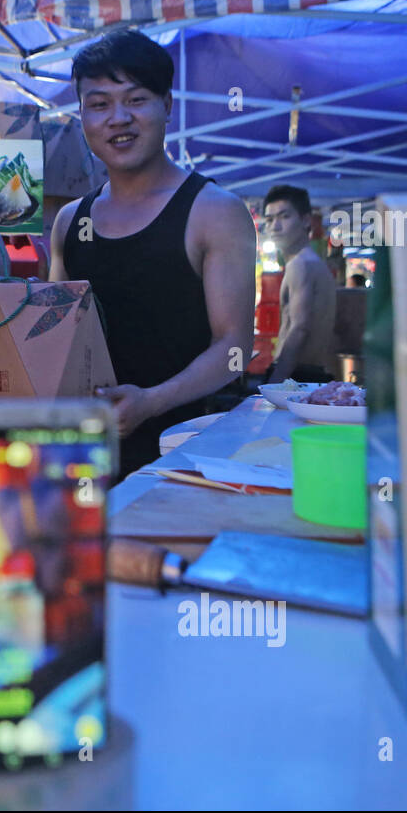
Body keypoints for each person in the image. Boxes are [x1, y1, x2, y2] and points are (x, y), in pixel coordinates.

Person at [50, 29, 256, 478]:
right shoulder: (70, 221)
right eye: (99, 104)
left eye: (136, 99)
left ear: (166, 105)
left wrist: (150, 401)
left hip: (183, 461)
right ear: (81, 116)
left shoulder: (214, 211)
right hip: (77, 462)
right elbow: (55, 343)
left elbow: (235, 346)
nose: (118, 118)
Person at [262, 185, 338, 384]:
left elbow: (299, 328)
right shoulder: (314, 264)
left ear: (305, 220)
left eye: (284, 217)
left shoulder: (300, 265)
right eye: (269, 220)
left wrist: (275, 384)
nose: (274, 226)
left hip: (295, 375)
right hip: (311, 373)